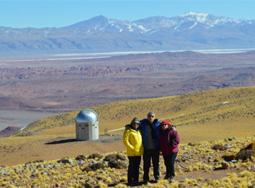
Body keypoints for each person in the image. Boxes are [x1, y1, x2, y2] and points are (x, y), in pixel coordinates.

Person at [139, 112, 161, 184]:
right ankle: (146, 178)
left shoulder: (158, 123)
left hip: (155, 148)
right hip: (147, 148)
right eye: (149, 116)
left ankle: (157, 177)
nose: (150, 117)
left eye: (152, 116)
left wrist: (173, 128)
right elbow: (135, 125)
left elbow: (166, 126)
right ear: (147, 116)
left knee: (156, 164)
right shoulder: (143, 123)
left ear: (154, 117)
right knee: (146, 164)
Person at [123, 117, 143, 186]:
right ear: (132, 124)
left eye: (137, 124)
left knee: (137, 167)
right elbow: (125, 141)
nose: (136, 125)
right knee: (131, 167)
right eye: (134, 123)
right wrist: (132, 148)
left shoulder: (139, 131)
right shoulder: (128, 131)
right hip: (131, 153)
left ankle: (136, 180)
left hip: (138, 153)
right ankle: (130, 181)